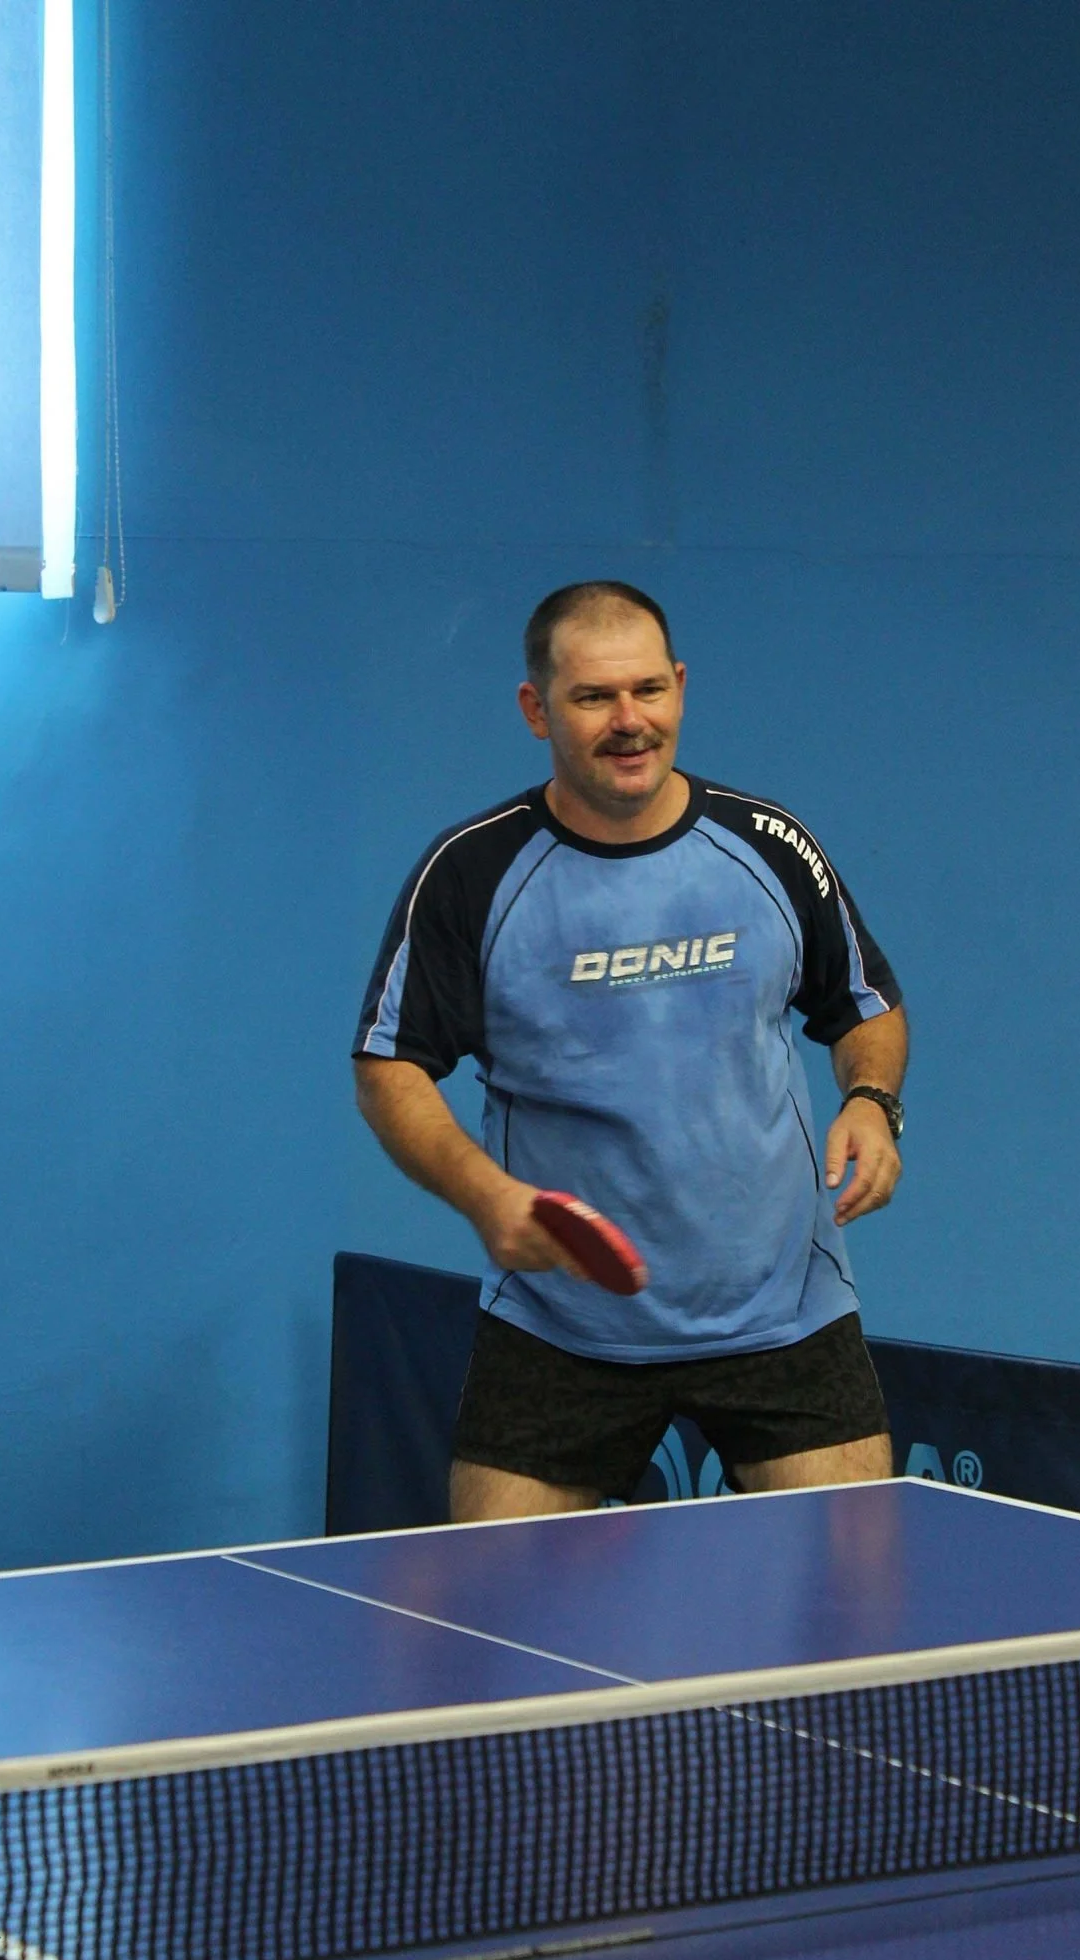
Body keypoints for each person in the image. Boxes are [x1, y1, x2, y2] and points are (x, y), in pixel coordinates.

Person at [352, 581, 907, 1522]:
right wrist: (485, 1195)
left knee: (858, 1601)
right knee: (494, 1602)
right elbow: (389, 1067)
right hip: (559, 1323)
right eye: (593, 697)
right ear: (536, 709)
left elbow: (866, 1008)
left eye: (648, 690)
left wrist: (872, 1103)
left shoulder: (771, 846)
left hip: (783, 1315)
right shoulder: (470, 875)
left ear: (680, 687)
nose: (629, 721)